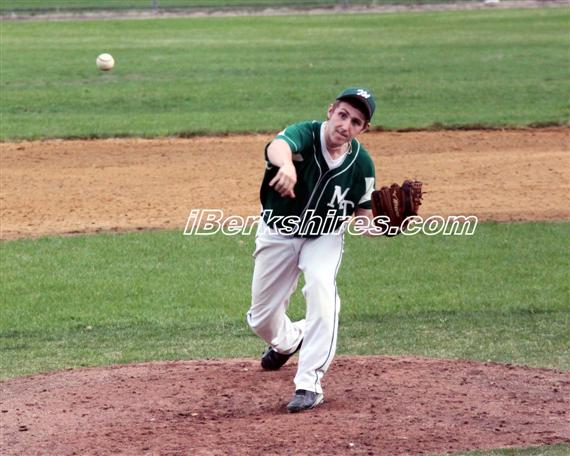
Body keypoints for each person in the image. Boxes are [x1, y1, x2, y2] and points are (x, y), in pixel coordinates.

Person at [246, 87, 377, 413]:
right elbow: (277, 147)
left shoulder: (362, 164)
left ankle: (309, 383)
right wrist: (286, 166)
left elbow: (363, 216)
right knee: (261, 319)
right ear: (331, 111)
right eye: (343, 115)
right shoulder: (304, 134)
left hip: (324, 236)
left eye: (356, 122)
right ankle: (291, 339)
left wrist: (379, 227)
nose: (345, 125)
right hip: (278, 233)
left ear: (363, 129)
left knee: (321, 290)